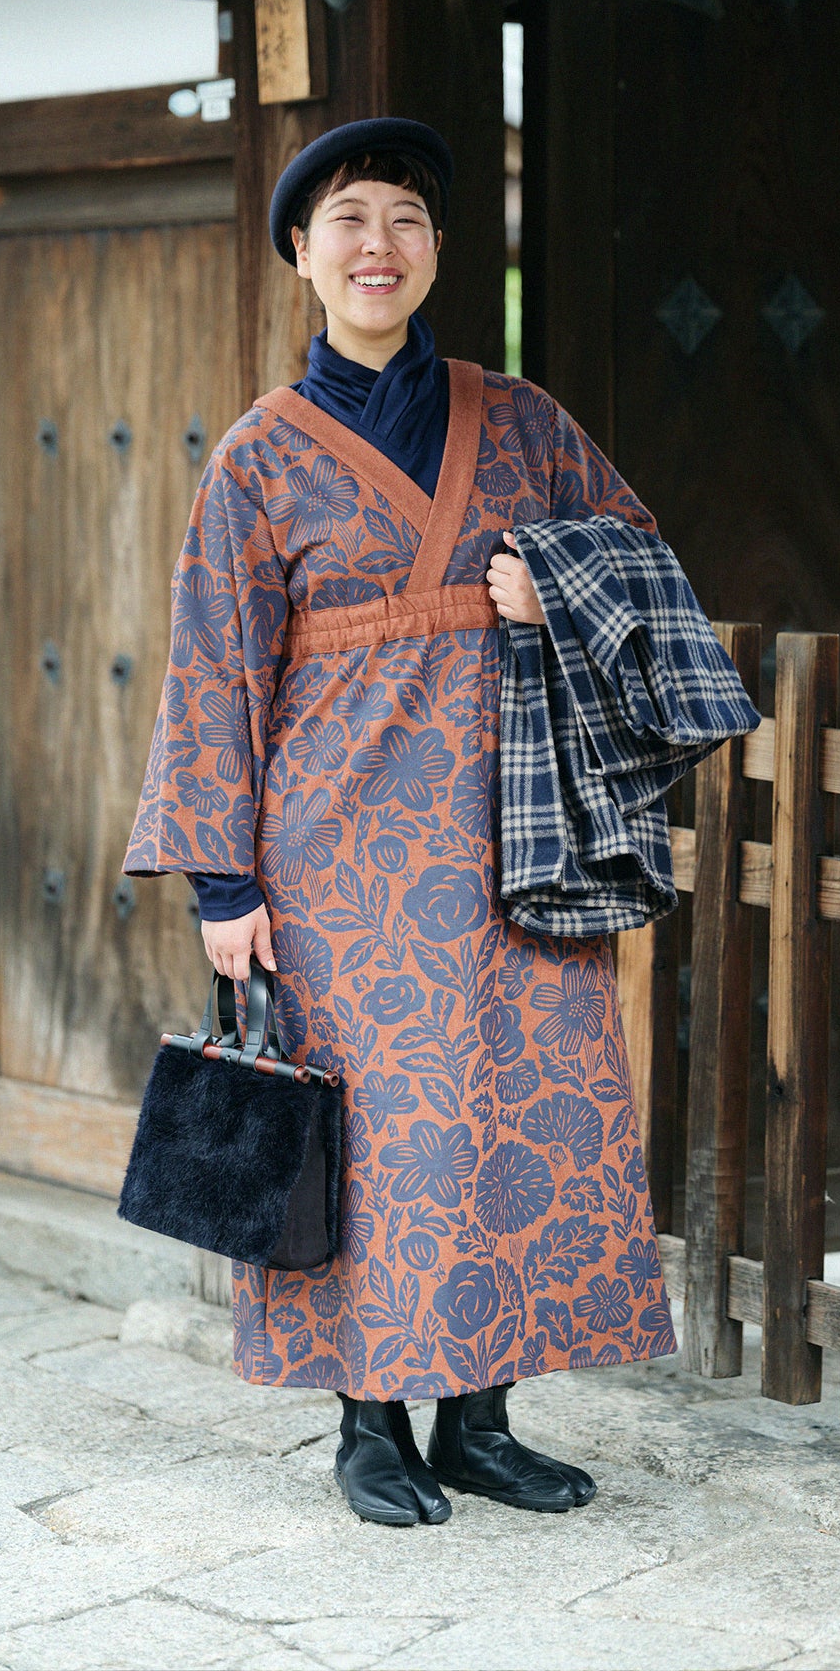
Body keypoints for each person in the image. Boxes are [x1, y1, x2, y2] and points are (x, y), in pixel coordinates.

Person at [124, 117, 677, 1526]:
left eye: (407, 222)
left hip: (519, 835)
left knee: (512, 1115)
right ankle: (369, 1423)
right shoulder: (258, 457)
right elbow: (213, 664)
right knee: (372, 1137)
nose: (379, 246)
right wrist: (221, 880)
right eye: (348, 222)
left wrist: (547, 578)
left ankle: (482, 1420)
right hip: (335, 858)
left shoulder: (524, 419)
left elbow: (644, 564)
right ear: (304, 257)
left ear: (436, 253)